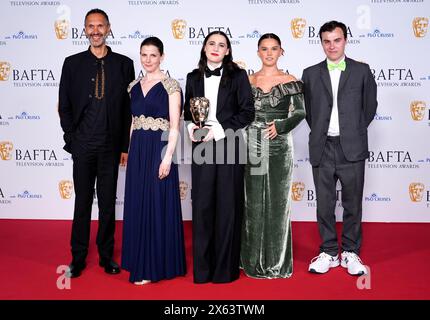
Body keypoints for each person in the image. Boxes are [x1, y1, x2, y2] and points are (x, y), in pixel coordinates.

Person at [58, 8, 135, 278]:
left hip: (110, 146)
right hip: (83, 145)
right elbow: (64, 106)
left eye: (100, 26)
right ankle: (77, 257)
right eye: (90, 26)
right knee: (81, 201)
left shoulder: (124, 64)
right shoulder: (72, 63)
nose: (95, 31)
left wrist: (125, 146)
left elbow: (128, 110)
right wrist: (71, 138)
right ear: (84, 30)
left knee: (107, 203)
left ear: (109, 28)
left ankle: (105, 256)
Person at [301, 21, 377, 276]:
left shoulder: (362, 71)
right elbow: (310, 112)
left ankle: (351, 252)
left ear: (345, 40)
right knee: (324, 204)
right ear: (321, 42)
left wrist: (351, 132)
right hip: (322, 146)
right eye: (326, 41)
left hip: (351, 148)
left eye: (337, 40)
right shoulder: (310, 73)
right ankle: (329, 253)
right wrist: (326, 133)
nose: (332, 45)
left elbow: (369, 108)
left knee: (352, 203)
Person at [184, 31, 254, 283]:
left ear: (227, 51)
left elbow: (247, 113)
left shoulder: (238, 76)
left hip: (229, 145)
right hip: (201, 146)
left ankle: (225, 271)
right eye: (211, 43)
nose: (216, 48)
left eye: (221, 45)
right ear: (204, 48)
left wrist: (218, 130)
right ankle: (202, 271)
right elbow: (186, 113)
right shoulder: (192, 77)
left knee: (227, 208)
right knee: (202, 207)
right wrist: (192, 128)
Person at [121, 37, 186, 285]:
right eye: (144, 55)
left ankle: (153, 266)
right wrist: (128, 151)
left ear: (162, 57)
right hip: (138, 150)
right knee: (139, 203)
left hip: (159, 149)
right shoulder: (133, 86)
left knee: (156, 204)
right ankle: (137, 258)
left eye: (153, 55)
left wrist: (167, 158)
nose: (148, 60)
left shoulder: (171, 86)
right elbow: (132, 123)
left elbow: (174, 125)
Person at [240, 33, 305, 279]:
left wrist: (280, 125)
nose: (269, 53)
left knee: (278, 203)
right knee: (253, 202)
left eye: (274, 48)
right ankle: (251, 260)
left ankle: (277, 261)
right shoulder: (246, 80)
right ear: (258, 52)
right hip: (253, 143)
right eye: (264, 49)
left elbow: (300, 112)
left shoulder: (291, 81)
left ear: (281, 52)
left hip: (280, 145)